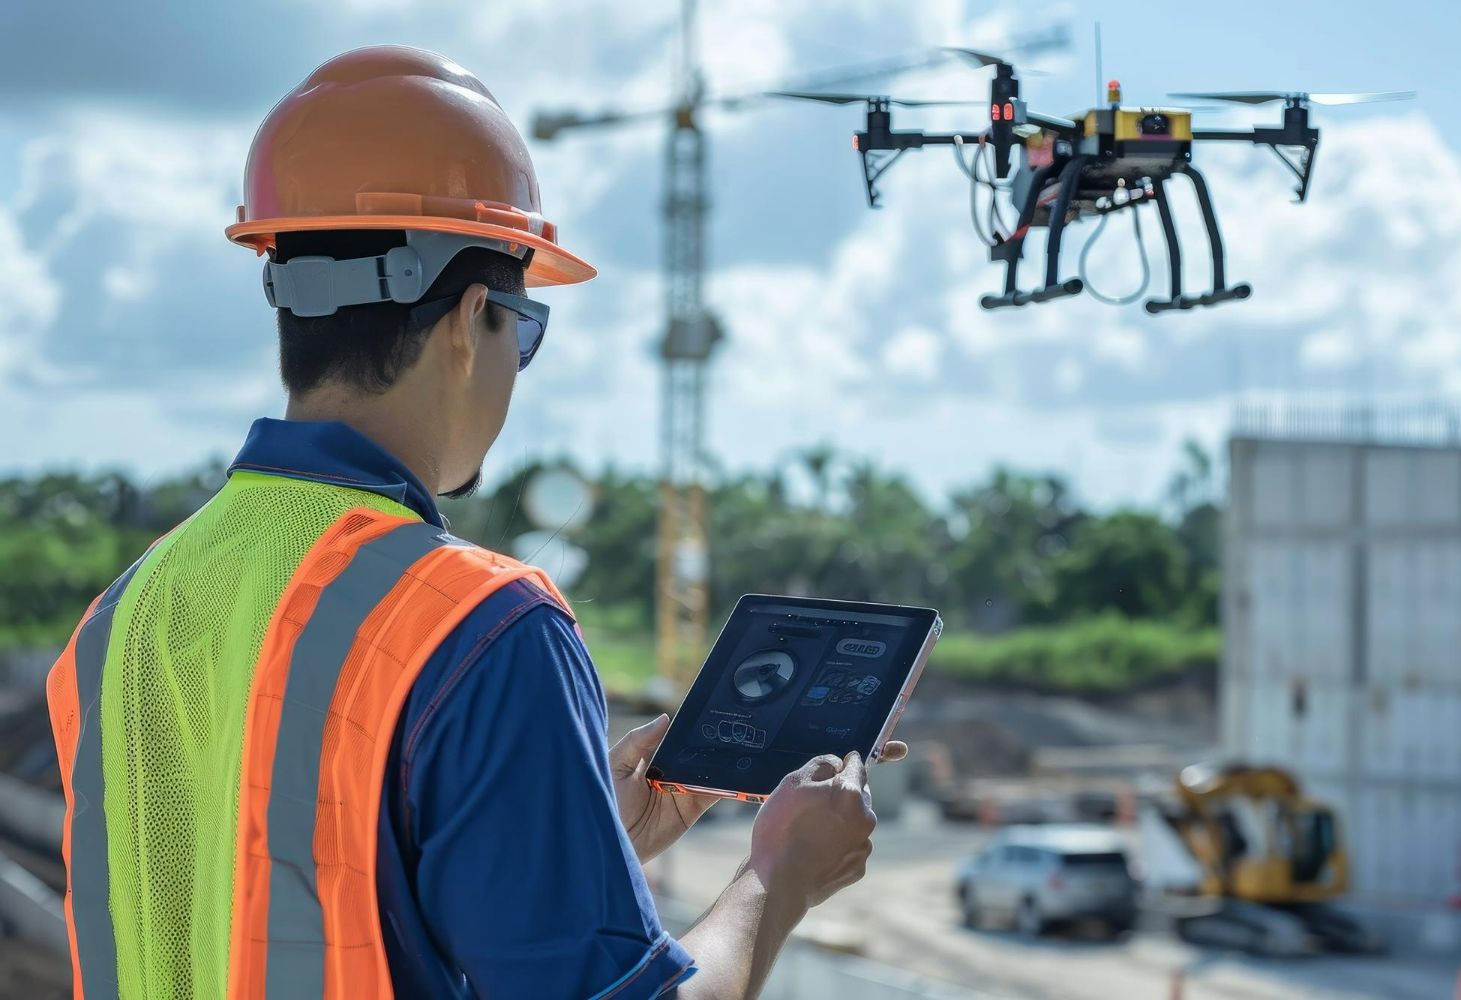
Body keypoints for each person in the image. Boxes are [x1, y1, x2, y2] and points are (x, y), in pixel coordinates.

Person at [45, 45, 903, 999]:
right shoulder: (482, 626)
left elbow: (270, 888)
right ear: (466, 322)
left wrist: (571, 841)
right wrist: (778, 875)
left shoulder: (120, 618)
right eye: (523, 330)